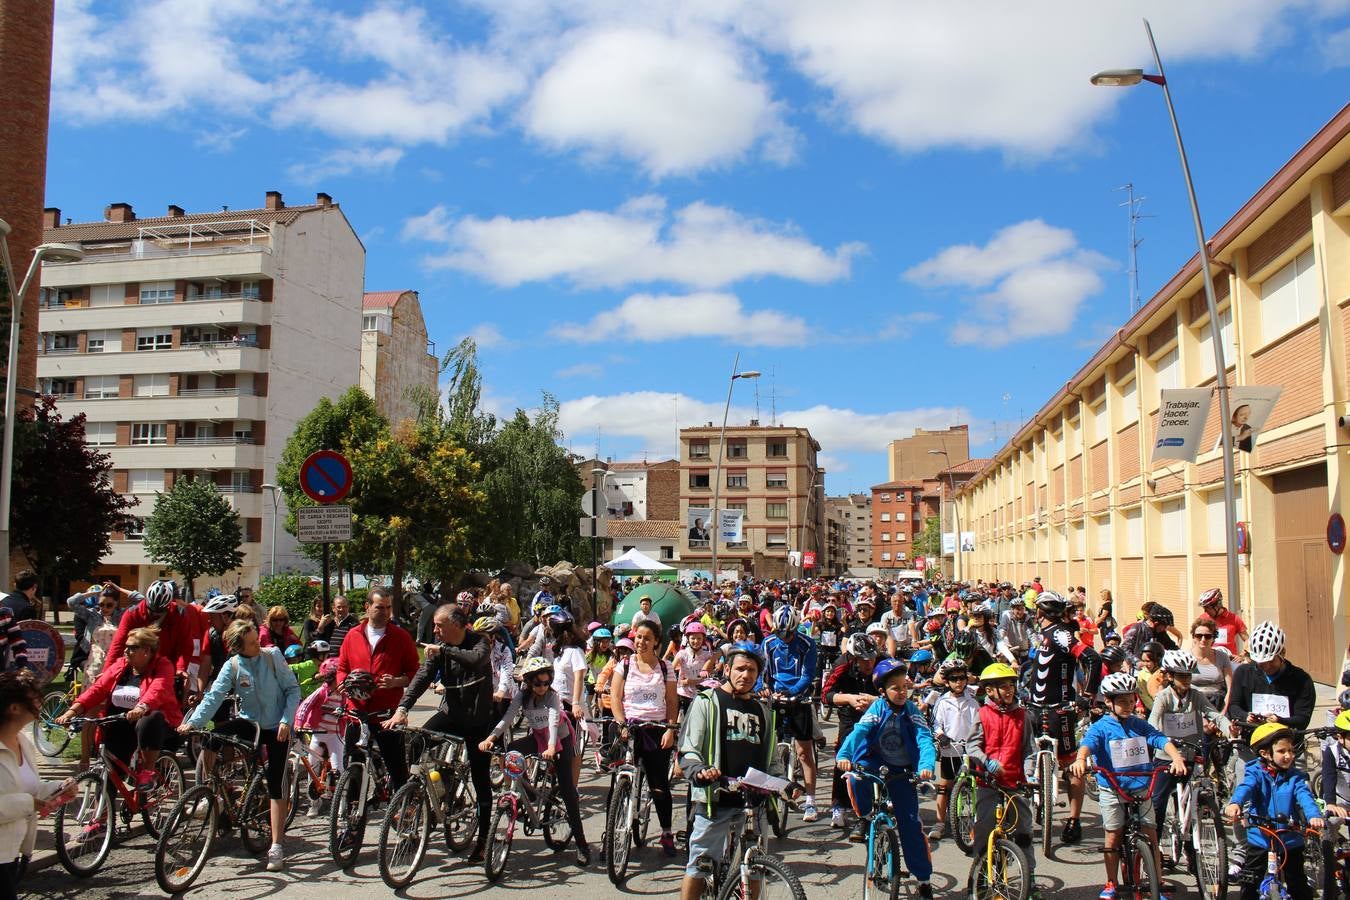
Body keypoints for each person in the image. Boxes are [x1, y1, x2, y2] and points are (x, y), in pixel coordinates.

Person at [180, 619, 300, 872]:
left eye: (258, 640)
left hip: (276, 726)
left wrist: (286, 721)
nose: (258, 645)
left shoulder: (272, 656)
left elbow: (292, 690)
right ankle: (212, 791)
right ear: (238, 648)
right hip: (249, 722)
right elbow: (214, 697)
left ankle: (276, 846)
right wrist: (193, 723)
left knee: (276, 779)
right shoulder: (232, 665)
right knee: (212, 737)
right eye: (252, 644)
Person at [386, 604, 496, 862]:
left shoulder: (478, 641)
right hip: (451, 715)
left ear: (456, 625)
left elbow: (476, 659)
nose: (434, 630)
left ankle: (482, 840)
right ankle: (415, 799)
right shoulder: (438, 647)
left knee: (481, 780)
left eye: (439, 625)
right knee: (415, 742)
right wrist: (403, 708)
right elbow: (423, 677)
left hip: (477, 721)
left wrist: (445, 650)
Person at [1071, 671, 1187, 900]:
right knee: (1113, 837)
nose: (1128, 705)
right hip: (1112, 789)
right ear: (1109, 702)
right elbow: (1087, 745)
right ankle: (1111, 882)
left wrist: (1176, 758)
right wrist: (1080, 759)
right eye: (1122, 701)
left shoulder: (1139, 724)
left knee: (1151, 835)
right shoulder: (1101, 727)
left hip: (1141, 787)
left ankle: (1158, 880)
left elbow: (1160, 739)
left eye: (1131, 700)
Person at [677, 642, 779, 900]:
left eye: (752, 671)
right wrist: (700, 769)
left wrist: (786, 784)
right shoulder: (707, 702)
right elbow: (689, 748)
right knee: (699, 864)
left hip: (752, 803)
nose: (746, 675)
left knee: (755, 868)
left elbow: (773, 759)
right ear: (728, 669)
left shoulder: (762, 711)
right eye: (741, 669)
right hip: (716, 798)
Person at [836, 657, 937, 899]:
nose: (902, 692)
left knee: (911, 825)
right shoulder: (878, 708)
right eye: (895, 688)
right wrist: (845, 754)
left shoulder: (912, 711)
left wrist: (925, 766)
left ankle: (924, 879)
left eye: (904, 687)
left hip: (902, 769)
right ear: (882, 691)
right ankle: (867, 815)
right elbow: (859, 731)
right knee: (855, 777)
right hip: (875, 761)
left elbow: (924, 738)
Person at [480, 657, 590, 865]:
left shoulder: (552, 697)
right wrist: (490, 738)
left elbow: (554, 721)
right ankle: (526, 792)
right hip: (539, 737)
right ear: (529, 682)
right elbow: (508, 718)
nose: (542, 687)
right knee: (511, 751)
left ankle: (582, 844)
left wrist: (550, 747)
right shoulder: (522, 695)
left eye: (546, 682)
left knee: (567, 791)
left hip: (559, 740)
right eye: (538, 683)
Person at [58, 625, 182, 808]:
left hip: (155, 726)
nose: (126, 651)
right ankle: (100, 822)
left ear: (146, 651)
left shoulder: (162, 666)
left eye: (132, 647)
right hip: (121, 723)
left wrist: (142, 707)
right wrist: (72, 711)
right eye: (126, 646)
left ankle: (148, 771)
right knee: (109, 771)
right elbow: (98, 689)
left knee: (150, 718)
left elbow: (158, 690)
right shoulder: (122, 665)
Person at [1026, 590, 1099, 844]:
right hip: (1035, 707)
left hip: (1060, 708)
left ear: (1040, 612)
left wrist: (1087, 695)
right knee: (1029, 756)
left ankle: (1074, 819)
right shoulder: (1044, 635)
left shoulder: (1059, 633)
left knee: (1070, 765)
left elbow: (1091, 658)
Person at [335, 587, 420, 800]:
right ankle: (351, 814)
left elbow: (415, 671)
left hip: (386, 714)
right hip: (357, 712)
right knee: (353, 765)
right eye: (379, 607)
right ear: (367, 607)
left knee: (397, 765)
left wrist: (397, 681)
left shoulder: (400, 637)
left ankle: (402, 808)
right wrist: (343, 683)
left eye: (388, 608)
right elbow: (342, 667)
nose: (385, 612)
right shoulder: (353, 635)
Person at [1225, 723, 1325, 900]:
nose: (1288, 756)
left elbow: (1305, 797)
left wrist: (1314, 815)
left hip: (1289, 837)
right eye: (1282, 751)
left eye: (1291, 751)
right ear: (1265, 754)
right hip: (1261, 836)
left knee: (1298, 883)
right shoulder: (1255, 773)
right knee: (1250, 883)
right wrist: (1235, 803)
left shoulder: (1295, 776)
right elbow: (1245, 788)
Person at [0, 671, 76, 900]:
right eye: (34, 699)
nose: (41, 702)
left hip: (15, 851)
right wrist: (29, 803)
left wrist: (57, 788)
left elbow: (25, 787)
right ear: (14, 708)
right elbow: (24, 800)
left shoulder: (23, 742)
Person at [965, 662, 1038, 893]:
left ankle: (1031, 877)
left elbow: (1029, 749)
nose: (1009, 690)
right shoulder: (982, 714)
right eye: (1003, 686)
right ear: (989, 691)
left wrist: (1028, 773)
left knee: (1024, 831)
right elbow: (972, 745)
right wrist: (986, 761)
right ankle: (982, 874)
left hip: (1016, 782)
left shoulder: (1022, 716)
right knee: (985, 830)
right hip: (989, 782)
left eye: (1011, 685)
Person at [611, 619, 680, 855]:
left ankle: (667, 832)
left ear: (656, 642)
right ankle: (612, 833)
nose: (641, 642)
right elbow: (615, 698)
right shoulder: (625, 664)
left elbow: (672, 701)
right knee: (618, 780)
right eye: (638, 637)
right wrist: (621, 724)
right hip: (629, 728)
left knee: (658, 784)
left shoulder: (665, 667)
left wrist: (670, 729)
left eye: (647, 638)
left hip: (657, 728)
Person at [1148, 649, 1234, 831]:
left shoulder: (1196, 696)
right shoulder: (1163, 697)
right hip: (1166, 757)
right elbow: (1152, 723)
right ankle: (1154, 844)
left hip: (1191, 753)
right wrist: (1159, 738)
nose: (1186, 679)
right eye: (1181, 676)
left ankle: (1190, 847)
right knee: (1158, 801)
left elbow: (1215, 716)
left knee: (1191, 803)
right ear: (1170, 676)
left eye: (1189, 675)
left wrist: (1229, 730)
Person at [761, 604, 820, 822]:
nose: (783, 637)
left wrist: (793, 691)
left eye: (788, 634)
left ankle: (811, 800)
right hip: (775, 698)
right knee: (768, 749)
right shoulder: (768, 643)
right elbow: (761, 670)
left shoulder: (807, 644)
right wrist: (761, 686)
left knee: (804, 752)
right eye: (779, 633)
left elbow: (808, 674)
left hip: (798, 697)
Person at [823, 634, 879, 835]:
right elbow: (825, 695)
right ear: (854, 658)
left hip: (877, 714)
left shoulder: (883, 662)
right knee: (844, 757)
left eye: (872, 659)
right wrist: (849, 698)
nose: (869, 663)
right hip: (849, 716)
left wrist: (875, 701)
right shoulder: (841, 664)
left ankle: (876, 804)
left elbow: (896, 692)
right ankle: (839, 805)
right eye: (864, 660)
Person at [1228, 621, 1316, 731]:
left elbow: (1303, 718)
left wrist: (1280, 720)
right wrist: (1246, 716)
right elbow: (1233, 706)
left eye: (1271, 661)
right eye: (1262, 663)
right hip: (1252, 737)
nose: (1267, 666)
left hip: (1287, 739)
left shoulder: (1302, 679)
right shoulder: (1243, 673)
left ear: (1282, 653)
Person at [929, 659, 980, 842]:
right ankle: (940, 822)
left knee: (976, 786)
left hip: (971, 749)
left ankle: (976, 822)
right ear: (947, 681)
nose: (959, 682)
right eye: (954, 679)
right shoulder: (942, 702)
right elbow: (935, 724)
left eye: (962, 678)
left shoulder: (972, 699)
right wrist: (941, 735)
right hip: (951, 750)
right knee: (944, 786)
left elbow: (979, 722)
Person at [294, 657, 343, 818]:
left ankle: (342, 803)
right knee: (312, 768)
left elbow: (352, 710)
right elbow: (305, 705)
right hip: (318, 734)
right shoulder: (322, 691)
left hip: (336, 735)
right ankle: (314, 803)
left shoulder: (345, 695)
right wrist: (299, 723)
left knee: (339, 768)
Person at [1189, 616, 1234, 710]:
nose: (1203, 639)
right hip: (1192, 705)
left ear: (1213, 638)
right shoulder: (1186, 657)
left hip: (1217, 704)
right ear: (1193, 636)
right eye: (1199, 636)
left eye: (1208, 636)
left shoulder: (1222, 657)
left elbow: (1230, 688)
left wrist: (1222, 714)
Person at [1197, 588, 1248, 659]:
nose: (1206, 611)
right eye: (1204, 608)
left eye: (1208, 608)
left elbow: (1247, 639)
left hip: (1230, 661)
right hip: (1210, 660)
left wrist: (1242, 655)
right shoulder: (1203, 619)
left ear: (1218, 605)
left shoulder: (1234, 618)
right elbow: (1196, 640)